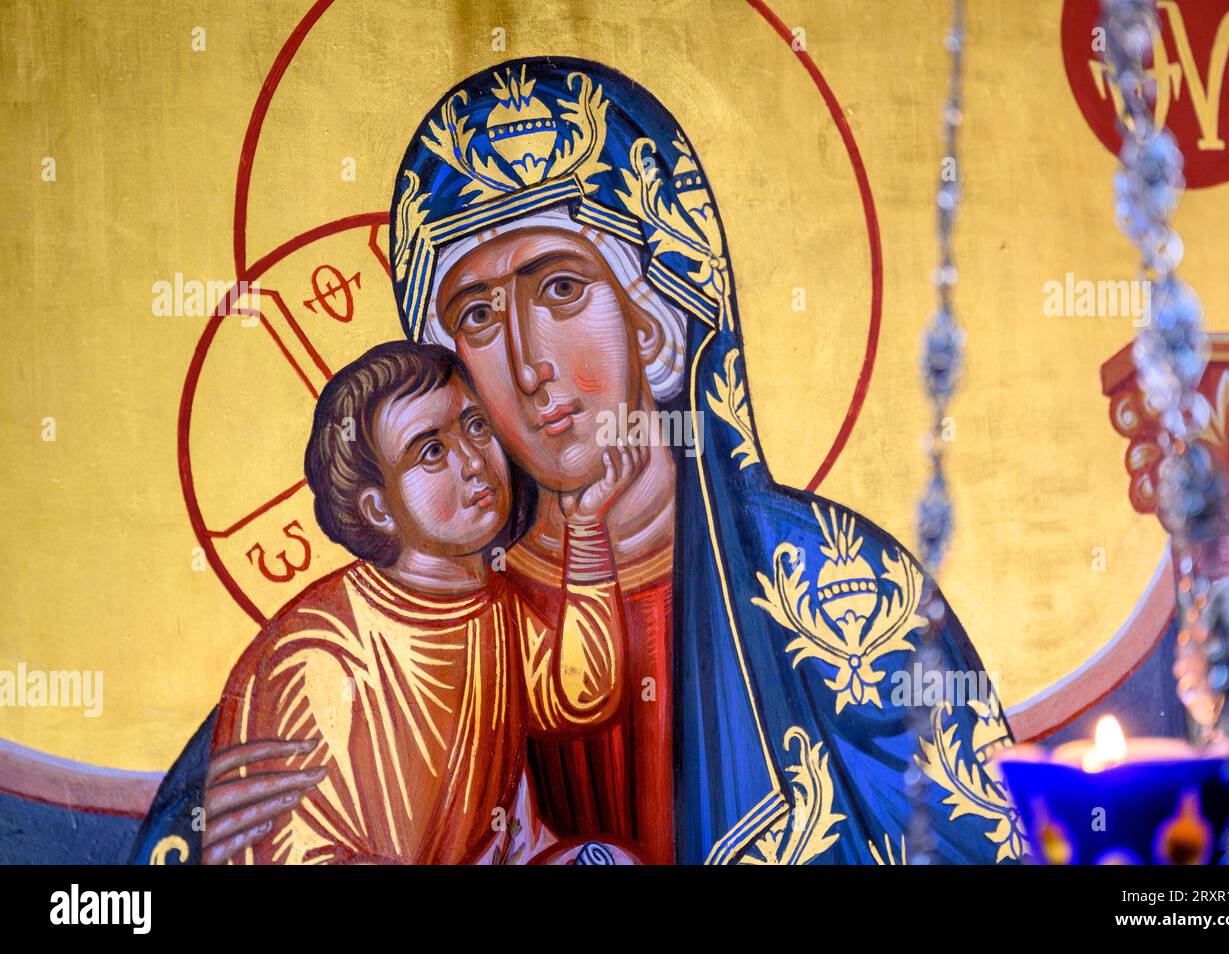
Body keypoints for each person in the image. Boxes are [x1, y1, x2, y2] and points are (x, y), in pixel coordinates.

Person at [135, 57, 1023, 865]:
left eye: (560, 289)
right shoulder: (387, 616)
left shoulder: (835, 587)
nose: (527, 367)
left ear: (656, 322)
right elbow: (160, 870)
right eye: (477, 316)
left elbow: (985, 844)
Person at [208, 340, 642, 864]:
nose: (473, 461)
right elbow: (303, 856)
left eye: (476, 426)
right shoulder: (319, 657)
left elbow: (576, 696)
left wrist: (588, 529)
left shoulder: (490, 605)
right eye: (431, 450)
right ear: (378, 508)